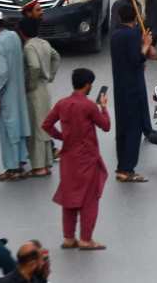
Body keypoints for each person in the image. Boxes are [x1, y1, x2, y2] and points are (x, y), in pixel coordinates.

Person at [41, 67, 110, 251]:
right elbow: (105, 126)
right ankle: (86, 239)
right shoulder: (89, 106)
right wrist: (104, 108)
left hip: (68, 158)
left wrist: (62, 137)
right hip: (87, 158)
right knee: (89, 199)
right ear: (87, 85)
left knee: (69, 198)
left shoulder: (62, 104)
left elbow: (46, 124)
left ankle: (69, 238)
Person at [109, 0, 157, 183]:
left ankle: (121, 167)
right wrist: (146, 44)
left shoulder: (115, 35)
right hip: (133, 87)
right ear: (136, 18)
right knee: (133, 130)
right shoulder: (131, 35)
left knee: (123, 128)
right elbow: (136, 59)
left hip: (120, 87)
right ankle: (127, 169)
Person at [0, 10, 31, 182]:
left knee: (8, 131)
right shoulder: (13, 36)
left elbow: (2, 72)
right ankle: (19, 163)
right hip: (17, 91)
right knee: (17, 128)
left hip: (5, 94)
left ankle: (12, 169)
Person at [21, 18, 61, 177]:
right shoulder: (44, 43)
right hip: (45, 88)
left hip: (35, 90)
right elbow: (56, 57)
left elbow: (34, 66)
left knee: (36, 128)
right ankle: (47, 162)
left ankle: (39, 167)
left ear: (22, 32)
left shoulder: (28, 46)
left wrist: (29, 84)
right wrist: (50, 75)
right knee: (44, 126)